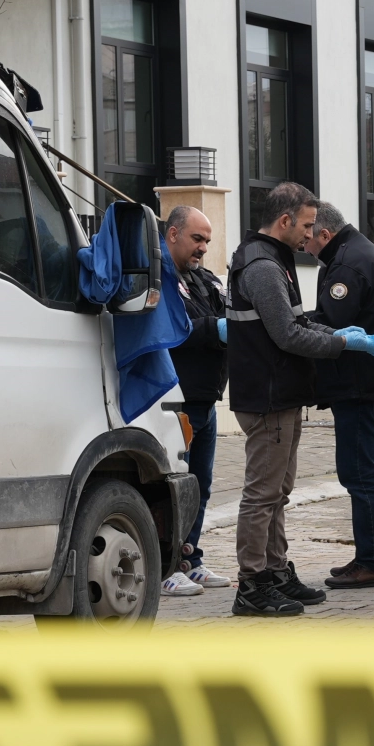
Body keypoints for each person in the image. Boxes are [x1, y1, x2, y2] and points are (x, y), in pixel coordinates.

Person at [226, 181, 374, 617]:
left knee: (278, 492)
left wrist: (340, 333)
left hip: (281, 392)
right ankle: (252, 582)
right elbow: (288, 335)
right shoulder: (262, 266)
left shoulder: (275, 259)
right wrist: (344, 343)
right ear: (284, 221)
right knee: (263, 495)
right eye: (305, 225)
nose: (310, 233)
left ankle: (275, 570)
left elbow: (300, 322)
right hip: (268, 394)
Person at [306, 201, 374, 590]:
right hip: (369, 382)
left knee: (360, 474)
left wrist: (289, 321)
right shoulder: (359, 250)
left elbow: (331, 324)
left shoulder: (346, 263)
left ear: (325, 234)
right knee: (360, 473)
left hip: (361, 386)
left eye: (308, 238)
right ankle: (369, 554)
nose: (304, 246)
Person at [159, 206, 232, 597]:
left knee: (200, 486)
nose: (203, 247)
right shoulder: (159, 277)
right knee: (173, 488)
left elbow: (225, 311)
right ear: (173, 234)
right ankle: (165, 566)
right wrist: (216, 329)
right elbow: (176, 329)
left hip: (205, 399)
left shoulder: (203, 278)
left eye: (207, 240)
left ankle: (190, 558)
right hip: (175, 401)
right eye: (197, 239)